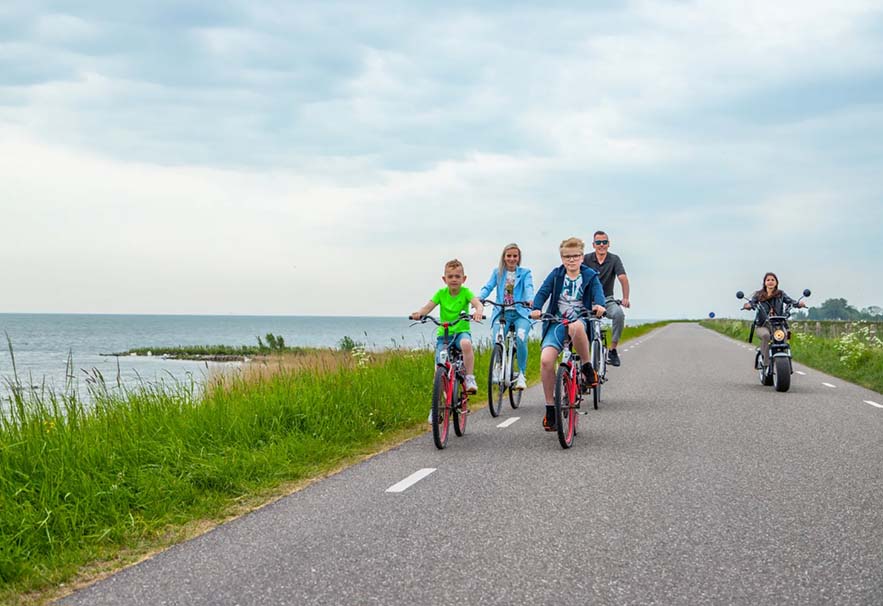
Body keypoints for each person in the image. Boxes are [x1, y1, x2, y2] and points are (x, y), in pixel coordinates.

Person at [530, 237, 606, 431]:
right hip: (556, 321)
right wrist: (537, 308)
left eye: (576, 256)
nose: (571, 260)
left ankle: (588, 367)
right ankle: (550, 409)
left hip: (580, 319)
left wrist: (599, 306)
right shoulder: (556, 275)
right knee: (546, 361)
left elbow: (598, 294)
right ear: (562, 258)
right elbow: (542, 293)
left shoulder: (590, 275)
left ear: (582, 256)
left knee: (576, 327)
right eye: (567, 256)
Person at [410, 259, 484, 422]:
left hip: (461, 332)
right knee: (439, 370)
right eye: (450, 276)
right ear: (444, 279)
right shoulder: (441, 294)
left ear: (464, 279)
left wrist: (478, 311)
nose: (454, 279)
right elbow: (428, 307)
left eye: (457, 276)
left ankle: (469, 377)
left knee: (466, 344)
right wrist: (420, 313)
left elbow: (477, 304)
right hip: (444, 335)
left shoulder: (465, 293)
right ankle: (436, 408)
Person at [478, 243, 535, 390]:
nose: (511, 259)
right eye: (508, 255)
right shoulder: (498, 273)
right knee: (497, 338)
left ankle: (521, 374)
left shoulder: (525, 273)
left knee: (521, 338)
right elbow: (488, 286)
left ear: (519, 258)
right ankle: (498, 366)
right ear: (504, 257)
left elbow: (529, 287)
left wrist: (530, 300)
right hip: (501, 312)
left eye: (515, 256)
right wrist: (480, 298)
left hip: (520, 312)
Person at [582, 230, 629, 367]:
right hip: (588, 301)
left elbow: (623, 278)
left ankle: (613, 350)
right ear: (593, 245)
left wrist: (625, 298)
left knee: (619, 314)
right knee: (579, 325)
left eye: (604, 242)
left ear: (609, 244)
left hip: (607, 299)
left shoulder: (614, 259)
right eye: (598, 242)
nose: (601, 245)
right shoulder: (586, 259)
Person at [743, 272, 806, 369]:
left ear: (776, 282)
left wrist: (798, 304)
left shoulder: (780, 294)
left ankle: (783, 357)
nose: (770, 282)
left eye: (773, 280)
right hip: (763, 325)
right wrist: (748, 305)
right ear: (764, 283)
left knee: (784, 335)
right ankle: (766, 363)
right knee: (766, 336)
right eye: (768, 280)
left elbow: (790, 301)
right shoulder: (759, 294)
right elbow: (752, 303)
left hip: (778, 325)